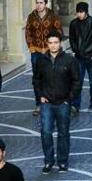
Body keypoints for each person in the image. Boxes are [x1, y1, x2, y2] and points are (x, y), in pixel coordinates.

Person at [33, 30, 80, 173]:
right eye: (50, 43)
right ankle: (48, 161)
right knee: (46, 132)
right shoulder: (41, 61)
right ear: (47, 44)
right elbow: (36, 80)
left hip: (63, 102)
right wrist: (40, 96)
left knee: (63, 133)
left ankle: (63, 162)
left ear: (60, 43)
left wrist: (69, 98)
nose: (53, 45)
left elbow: (77, 81)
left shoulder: (69, 60)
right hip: (46, 103)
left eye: (56, 42)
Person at [25, 0, 62, 116]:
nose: (38, 5)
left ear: (45, 4)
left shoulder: (52, 16)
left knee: (51, 76)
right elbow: (28, 32)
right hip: (36, 52)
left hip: (48, 51)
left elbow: (59, 31)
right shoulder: (32, 16)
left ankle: (52, 101)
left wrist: (53, 46)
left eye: (41, 3)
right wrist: (31, 47)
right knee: (37, 79)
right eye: (37, 3)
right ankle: (38, 104)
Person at [68, 2, 92, 113]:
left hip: (91, 58)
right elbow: (72, 38)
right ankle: (76, 105)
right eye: (78, 12)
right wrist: (75, 50)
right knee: (77, 82)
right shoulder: (74, 24)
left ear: (86, 12)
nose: (79, 14)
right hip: (79, 57)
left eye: (81, 12)